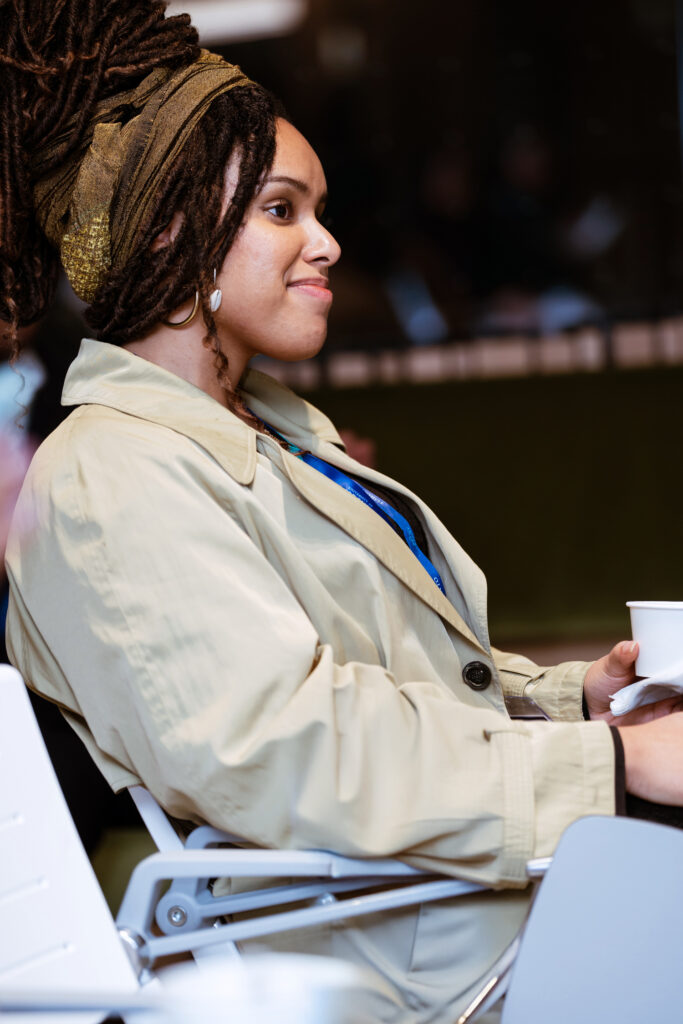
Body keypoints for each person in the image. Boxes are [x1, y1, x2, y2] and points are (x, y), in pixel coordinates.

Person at [3, 3, 683, 1020]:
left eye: (314, 209)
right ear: (169, 229)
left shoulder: (256, 427)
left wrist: (568, 698)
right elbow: (283, 749)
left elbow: (388, 678)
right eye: (280, 210)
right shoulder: (111, 477)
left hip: (480, 899)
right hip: (433, 954)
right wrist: (610, 761)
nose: (324, 243)